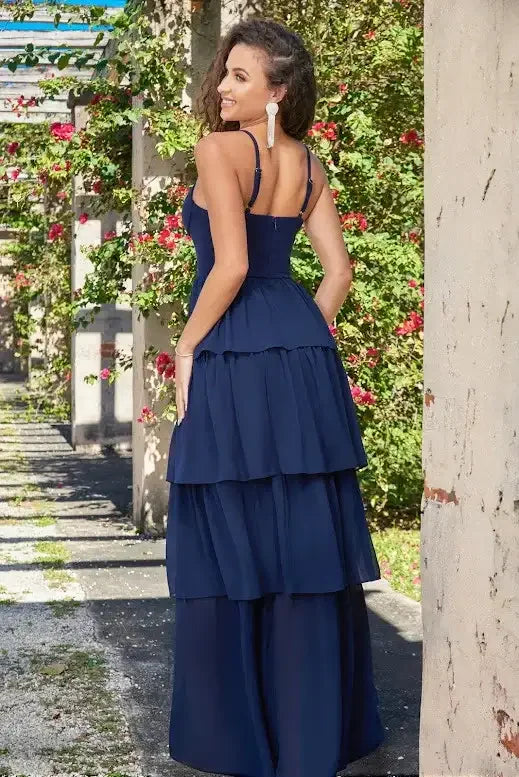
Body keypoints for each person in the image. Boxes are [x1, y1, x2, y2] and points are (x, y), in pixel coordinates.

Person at [165, 16, 385, 777]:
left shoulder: (218, 150)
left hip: (228, 352)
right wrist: (293, 334)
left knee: (227, 537)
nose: (221, 87)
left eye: (238, 76)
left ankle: (236, 740)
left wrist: (188, 345)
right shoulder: (309, 163)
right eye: (224, 73)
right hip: (300, 351)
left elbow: (227, 266)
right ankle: (308, 740)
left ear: (277, 91)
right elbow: (338, 275)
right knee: (302, 543)